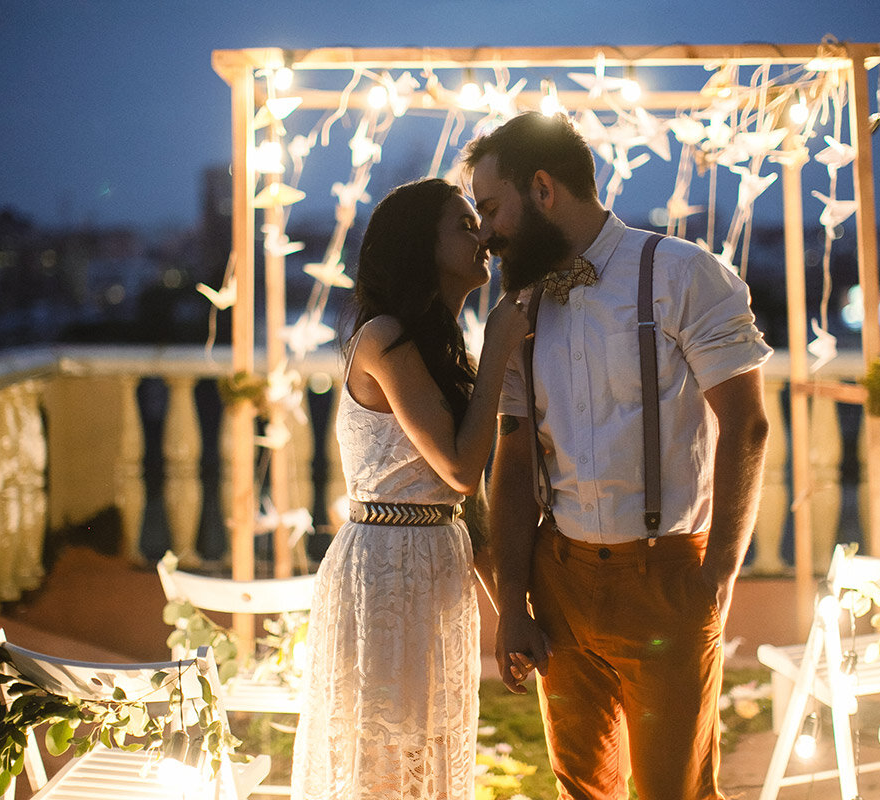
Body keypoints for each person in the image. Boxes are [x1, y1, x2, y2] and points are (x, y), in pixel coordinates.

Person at [462, 112, 772, 800]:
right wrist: (513, 600)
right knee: (581, 789)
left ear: (542, 188)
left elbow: (746, 426)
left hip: (666, 579)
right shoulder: (518, 305)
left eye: (490, 208)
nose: (484, 233)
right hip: (560, 578)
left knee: (675, 791)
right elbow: (512, 459)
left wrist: (715, 575)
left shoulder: (684, 274)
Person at [291, 178, 528, 800]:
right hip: (386, 569)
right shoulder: (383, 338)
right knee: (385, 763)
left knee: (429, 751)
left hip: (438, 562)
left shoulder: (444, 350)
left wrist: (511, 614)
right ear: (421, 247)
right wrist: (501, 343)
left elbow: (460, 507)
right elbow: (458, 468)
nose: (481, 236)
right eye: (462, 224)